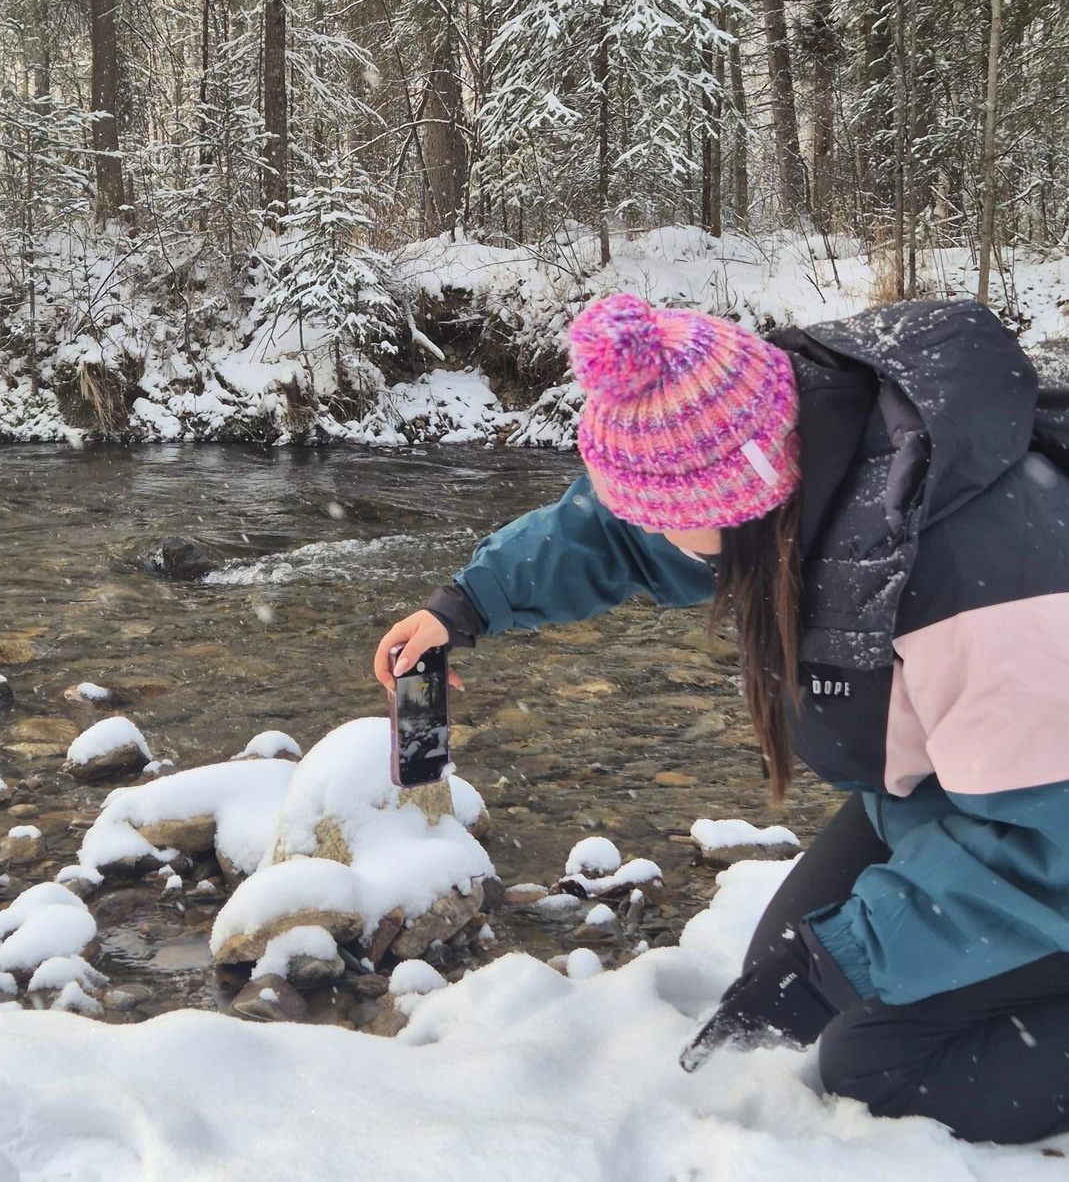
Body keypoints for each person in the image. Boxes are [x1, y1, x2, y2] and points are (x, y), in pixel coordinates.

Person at [374, 292, 1069, 1146]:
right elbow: (621, 532)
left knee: (878, 1067)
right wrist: (469, 603)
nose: (650, 536)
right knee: (782, 972)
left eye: (671, 522)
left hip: (1040, 825)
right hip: (948, 795)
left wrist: (837, 968)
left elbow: (1048, 846)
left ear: (744, 500)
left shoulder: (983, 582)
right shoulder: (801, 449)